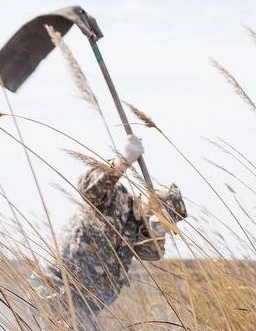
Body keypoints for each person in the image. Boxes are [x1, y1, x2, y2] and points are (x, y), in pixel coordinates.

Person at [34, 135, 187, 319]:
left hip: (82, 309)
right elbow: (89, 188)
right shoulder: (116, 199)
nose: (156, 215)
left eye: (164, 217)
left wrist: (161, 228)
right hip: (55, 288)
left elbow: (153, 252)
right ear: (151, 196)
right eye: (159, 207)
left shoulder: (138, 228)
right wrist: (122, 162)